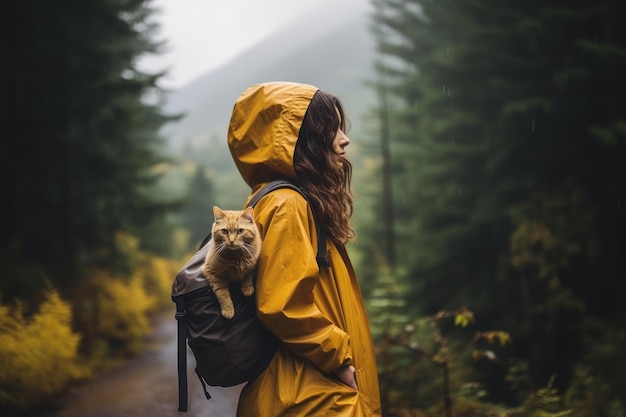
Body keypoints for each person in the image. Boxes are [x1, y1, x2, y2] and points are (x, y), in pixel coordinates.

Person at [227, 81, 382, 417]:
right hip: (310, 396)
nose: (344, 139)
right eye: (332, 129)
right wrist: (340, 359)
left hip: (307, 390)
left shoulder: (278, 199)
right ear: (302, 141)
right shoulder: (287, 204)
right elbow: (282, 304)